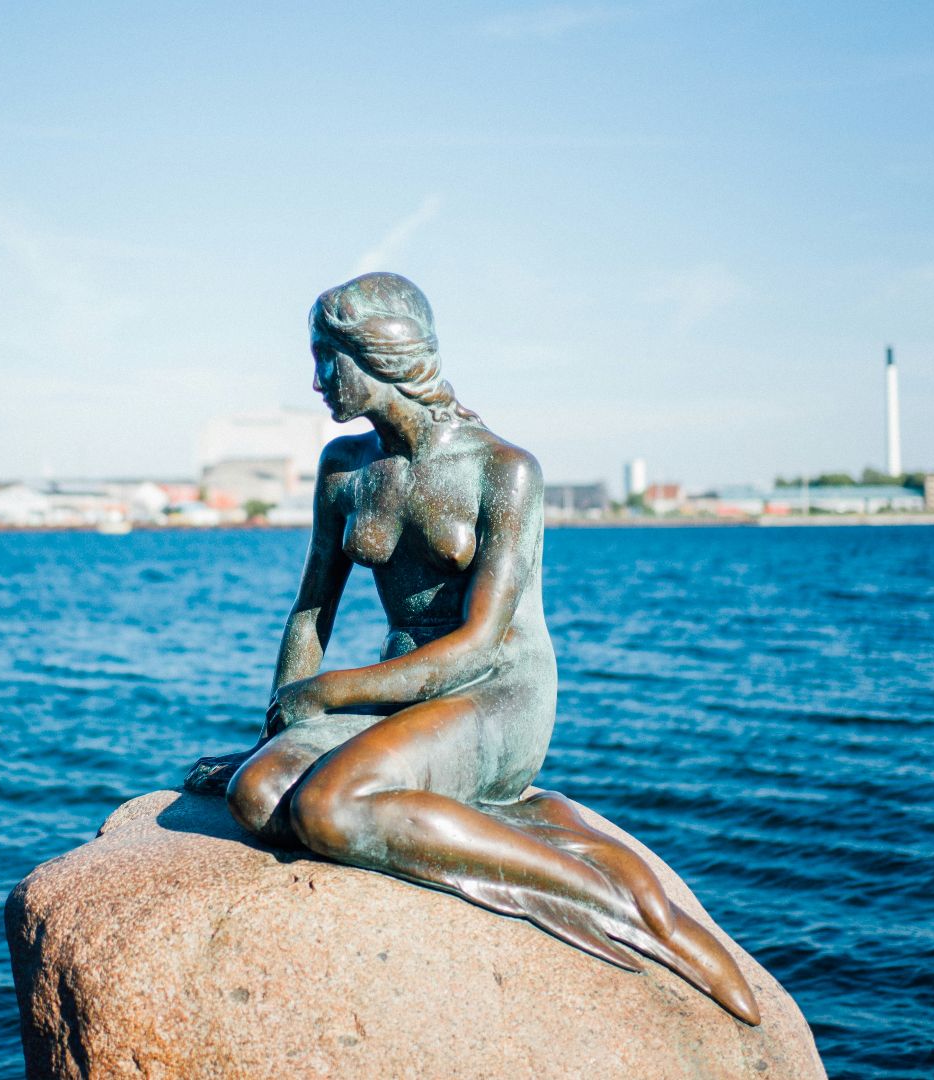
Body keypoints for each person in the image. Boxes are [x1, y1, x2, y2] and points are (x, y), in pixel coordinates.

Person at [203, 272, 759, 1024]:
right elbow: (311, 613)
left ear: (383, 356)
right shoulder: (345, 470)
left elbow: (476, 644)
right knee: (258, 793)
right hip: (403, 690)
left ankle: (604, 893)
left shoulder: (504, 471)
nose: (316, 380)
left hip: (496, 692)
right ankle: (515, 819)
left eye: (327, 358)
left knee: (330, 807)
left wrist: (330, 694)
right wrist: (273, 728)